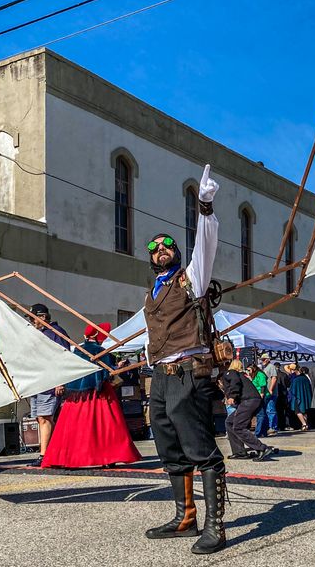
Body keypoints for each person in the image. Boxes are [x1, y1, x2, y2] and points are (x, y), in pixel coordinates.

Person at [143, 165, 227, 554]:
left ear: (176, 252)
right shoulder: (153, 290)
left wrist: (205, 207)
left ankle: (216, 526)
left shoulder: (190, 276)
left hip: (187, 375)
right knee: (169, 449)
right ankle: (185, 517)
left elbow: (205, 245)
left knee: (200, 448)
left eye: (168, 245)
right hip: (159, 378)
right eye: (155, 248)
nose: (162, 250)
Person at [42, 323, 141, 468]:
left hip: (76, 396)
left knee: (72, 428)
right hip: (98, 394)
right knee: (105, 426)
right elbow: (105, 373)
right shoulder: (100, 351)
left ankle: (66, 459)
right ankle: (107, 457)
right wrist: (118, 367)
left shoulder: (78, 350)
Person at [26, 302, 69, 467]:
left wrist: (60, 381)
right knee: (40, 418)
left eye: (33, 318)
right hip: (38, 382)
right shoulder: (38, 333)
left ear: (42, 317)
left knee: (45, 417)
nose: (31, 322)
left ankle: (44, 455)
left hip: (50, 382)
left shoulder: (56, 333)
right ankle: (52, 451)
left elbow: (64, 358)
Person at [224, 360, 274, 461]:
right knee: (229, 422)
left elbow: (235, 383)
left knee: (238, 427)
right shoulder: (243, 375)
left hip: (248, 401)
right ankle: (239, 452)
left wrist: (232, 396)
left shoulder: (230, 373)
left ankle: (261, 448)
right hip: (252, 400)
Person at [255, 354, 278, 436]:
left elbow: (274, 378)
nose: (262, 361)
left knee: (270, 410)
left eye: (264, 359)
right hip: (266, 393)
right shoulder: (264, 368)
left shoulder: (271, 366)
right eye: (262, 359)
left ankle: (273, 428)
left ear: (268, 359)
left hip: (270, 392)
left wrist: (271, 389)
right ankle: (268, 428)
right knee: (266, 410)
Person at [287, 365, 313, 431]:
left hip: (297, 397)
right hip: (305, 397)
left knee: (298, 411)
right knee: (304, 411)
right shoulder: (306, 378)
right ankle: (305, 424)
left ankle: (304, 424)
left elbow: (292, 390)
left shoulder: (296, 380)